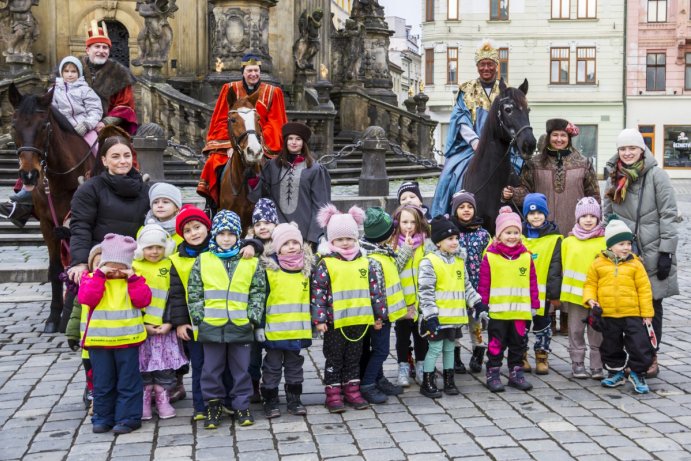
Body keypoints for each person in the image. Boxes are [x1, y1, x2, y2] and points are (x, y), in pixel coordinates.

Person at [602, 128, 679, 378]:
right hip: (624, 251)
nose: (627, 153)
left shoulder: (657, 175)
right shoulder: (614, 176)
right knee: (627, 307)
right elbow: (607, 212)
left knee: (651, 306)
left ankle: (651, 357)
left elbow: (668, 215)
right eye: (623, 149)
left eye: (632, 148)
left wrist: (666, 252)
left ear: (641, 149)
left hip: (653, 250)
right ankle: (633, 357)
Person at [0, 55, 103, 226]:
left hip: (83, 128)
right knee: (34, 156)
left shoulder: (86, 90)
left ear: (79, 73)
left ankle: (103, 179)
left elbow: (95, 110)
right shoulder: (53, 90)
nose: (70, 75)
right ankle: (23, 199)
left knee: (98, 147)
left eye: (73, 71)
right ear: (61, 73)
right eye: (66, 71)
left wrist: (87, 124)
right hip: (61, 129)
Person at [185, 210, 265, 428]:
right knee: (211, 369)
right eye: (222, 233)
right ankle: (213, 405)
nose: (227, 238)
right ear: (215, 235)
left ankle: (242, 405)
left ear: (238, 236)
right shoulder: (204, 260)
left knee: (241, 369)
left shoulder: (250, 261)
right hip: (211, 325)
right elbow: (194, 290)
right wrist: (199, 316)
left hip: (240, 325)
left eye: (231, 234)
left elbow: (258, 291)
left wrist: (252, 316)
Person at [431, 40, 524, 217]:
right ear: (477, 66)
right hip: (471, 147)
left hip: (502, 147)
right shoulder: (466, 90)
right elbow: (460, 118)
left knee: (521, 171)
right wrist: (475, 141)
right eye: (482, 65)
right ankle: (443, 215)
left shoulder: (507, 91)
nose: (486, 68)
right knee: (449, 175)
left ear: (496, 66)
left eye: (490, 64)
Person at [312, 204, 386, 413]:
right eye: (340, 239)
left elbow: (375, 291)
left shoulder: (365, 263)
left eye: (349, 238)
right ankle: (333, 393)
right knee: (335, 357)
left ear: (356, 239)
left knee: (354, 357)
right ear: (332, 240)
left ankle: (352, 389)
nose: (345, 243)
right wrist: (320, 319)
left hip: (359, 321)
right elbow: (319, 292)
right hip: (335, 323)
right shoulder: (326, 263)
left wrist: (378, 315)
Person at [78, 233, 151, 434]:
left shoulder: (133, 281)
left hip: (128, 341)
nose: (116, 271)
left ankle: (128, 418)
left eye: (121, 267)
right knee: (102, 382)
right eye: (111, 265)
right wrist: (101, 275)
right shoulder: (92, 279)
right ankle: (103, 417)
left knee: (128, 382)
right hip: (99, 342)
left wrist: (133, 278)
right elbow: (88, 298)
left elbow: (143, 300)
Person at [198, 54, 288, 210]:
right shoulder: (230, 89)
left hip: (262, 140)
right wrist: (229, 145)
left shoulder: (274, 92)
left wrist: (257, 141)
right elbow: (221, 120)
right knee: (213, 163)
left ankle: (279, 207)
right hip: (235, 140)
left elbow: (275, 122)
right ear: (243, 72)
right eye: (249, 71)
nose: (253, 74)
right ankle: (212, 205)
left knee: (276, 169)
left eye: (256, 70)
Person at [68, 129, 150, 286]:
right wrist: (80, 262)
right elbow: (81, 227)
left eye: (127, 156)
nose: (123, 161)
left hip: (136, 257)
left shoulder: (145, 189)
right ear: (104, 161)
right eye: (115, 156)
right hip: (101, 256)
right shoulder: (91, 189)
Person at [417, 216, 486, 399]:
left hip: (454, 318)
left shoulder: (458, 262)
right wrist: (430, 315)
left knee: (449, 348)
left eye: (456, 238)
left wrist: (477, 302)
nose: (455, 242)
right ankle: (428, 380)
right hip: (437, 318)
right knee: (434, 348)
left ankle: (449, 379)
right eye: (450, 239)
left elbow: (466, 287)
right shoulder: (429, 262)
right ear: (438, 242)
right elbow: (425, 291)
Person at [583, 218, 655, 394]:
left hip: (632, 314)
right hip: (609, 315)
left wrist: (647, 313)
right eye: (621, 243)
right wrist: (591, 300)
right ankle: (616, 372)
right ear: (610, 245)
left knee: (639, 345)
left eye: (629, 243)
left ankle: (638, 372)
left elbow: (645, 290)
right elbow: (590, 284)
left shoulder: (636, 265)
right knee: (610, 345)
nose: (626, 247)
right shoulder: (598, 263)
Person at [478, 207, 539, 392]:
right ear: (499, 234)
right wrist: (483, 305)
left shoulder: (526, 257)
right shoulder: (490, 257)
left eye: (515, 232)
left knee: (519, 343)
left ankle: (516, 372)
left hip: (520, 312)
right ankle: (493, 373)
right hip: (498, 312)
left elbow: (532, 283)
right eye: (507, 232)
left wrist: (534, 304)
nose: (512, 236)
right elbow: (484, 284)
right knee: (496, 344)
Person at [506, 118, 601, 237]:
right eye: (555, 135)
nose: (559, 139)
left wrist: (596, 224)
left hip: (577, 232)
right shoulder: (534, 164)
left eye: (563, 135)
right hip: (542, 231)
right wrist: (513, 194)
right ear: (548, 137)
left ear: (569, 138)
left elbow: (594, 197)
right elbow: (526, 192)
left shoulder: (583, 163)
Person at [257, 222, 314, 418]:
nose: (291, 246)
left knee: (294, 365)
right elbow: (262, 299)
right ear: (277, 247)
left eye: (295, 242)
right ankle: (270, 398)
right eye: (286, 243)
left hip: (297, 330)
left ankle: (294, 398)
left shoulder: (306, 270)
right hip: (274, 331)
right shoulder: (270, 270)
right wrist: (260, 326)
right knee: (271, 366)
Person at [133, 224, 187, 420]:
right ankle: (145, 401)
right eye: (149, 248)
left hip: (166, 329)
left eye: (159, 247)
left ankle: (163, 399)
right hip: (143, 330)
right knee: (143, 366)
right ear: (140, 249)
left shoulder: (170, 265)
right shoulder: (134, 268)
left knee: (165, 367)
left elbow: (175, 296)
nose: (154, 252)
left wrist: (170, 322)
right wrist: (142, 324)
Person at [248, 122, 331, 247]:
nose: (294, 142)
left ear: (303, 143)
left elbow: (321, 205)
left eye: (298, 139)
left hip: (304, 233)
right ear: (285, 141)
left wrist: (314, 236)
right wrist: (252, 179)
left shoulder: (315, 169)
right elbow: (259, 196)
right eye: (290, 139)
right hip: (276, 232)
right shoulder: (272, 166)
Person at [359, 207, 407, 404]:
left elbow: (394, 268)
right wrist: (378, 317)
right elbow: (375, 291)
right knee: (381, 350)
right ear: (384, 236)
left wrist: (406, 251)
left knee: (377, 349)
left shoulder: (381, 252)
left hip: (385, 314)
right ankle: (368, 384)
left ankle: (378, 378)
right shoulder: (374, 260)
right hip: (379, 316)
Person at [560, 197, 605, 379]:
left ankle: (597, 364)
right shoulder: (568, 242)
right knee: (575, 331)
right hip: (575, 297)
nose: (588, 219)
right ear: (577, 218)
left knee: (597, 332)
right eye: (584, 216)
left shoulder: (604, 241)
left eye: (592, 216)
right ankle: (577, 362)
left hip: (597, 297)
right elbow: (562, 266)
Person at [449, 190, 491, 373]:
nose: (466, 210)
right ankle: (455, 356)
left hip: (476, 286)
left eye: (469, 207)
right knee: (456, 323)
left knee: (476, 324)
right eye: (461, 207)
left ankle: (478, 352)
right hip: (455, 286)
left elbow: (488, 259)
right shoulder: (450, 233)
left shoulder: (482, 234)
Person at [521, 193, 562, 375]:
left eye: (539, 212)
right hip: (521, 293)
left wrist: (554, 294)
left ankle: (541, 355)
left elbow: (555, 269)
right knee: (521, 326)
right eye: (531, 213)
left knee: (543, 325)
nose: (535, 216)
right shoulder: (518, 236)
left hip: (542, 295)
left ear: (545, 214)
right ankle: (521, 355)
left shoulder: (554, 239)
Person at [389, 205, 430, 386]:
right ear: (398, 223)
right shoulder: (392, 245)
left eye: (413, 222)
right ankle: (403, 366)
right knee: (402, 338)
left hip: (421, 302)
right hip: (402, 302)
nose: (409, 226)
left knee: (422, 336)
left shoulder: (426, 245)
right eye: (405, 222)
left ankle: (421, 366)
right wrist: (405, 249)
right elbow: (394, 269)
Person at [81, 20, 138, 135]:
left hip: (107, 128)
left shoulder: (119, 74)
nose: (101, 51)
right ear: (88, 50)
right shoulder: (73, 69)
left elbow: (125, 107)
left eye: (105, 47)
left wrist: (105, 123)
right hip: (77, 124)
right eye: (97, 46)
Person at [65, 244, 103, 415]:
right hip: (88, 341)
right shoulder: (86, 283)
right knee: (91, 370)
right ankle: (92, 394)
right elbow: (76, 311)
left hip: (109, 339)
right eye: (97, 265)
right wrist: (73, 333)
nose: (101, 269)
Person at [142, 182, 184, 248]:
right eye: (155, 202)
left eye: (165, 202)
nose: (160, 205)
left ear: (176, 207)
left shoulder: (184, 231)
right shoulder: (144, 230)